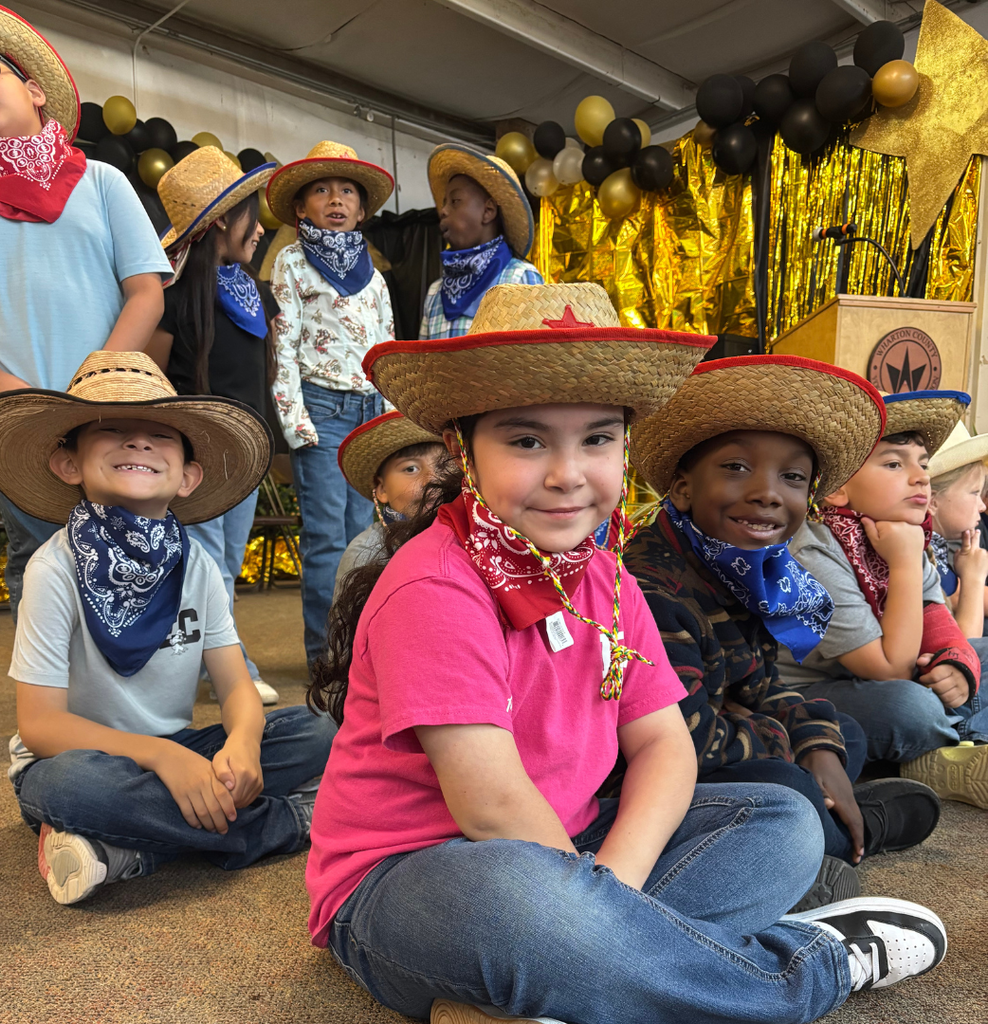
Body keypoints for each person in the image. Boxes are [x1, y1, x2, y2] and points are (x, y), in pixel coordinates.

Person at [303, 282, 947, 1024]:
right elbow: (488, 807)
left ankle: (562, 985)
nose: (568, 473)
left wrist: (603, 896)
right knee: (526, 903)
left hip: (574, 849)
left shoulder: (608, 575)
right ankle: (805, 969)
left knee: (782, 820)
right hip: (413, 878)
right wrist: (577, 910)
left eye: (598, 439)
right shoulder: (435, 583)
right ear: (462, 448)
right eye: (526, 440)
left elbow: (666, 749)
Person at [0, 351, 337, 905]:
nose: (138, 442)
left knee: (320, 730)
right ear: (67, 464)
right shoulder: (54, 567)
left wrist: (242, 741)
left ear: (188, 476)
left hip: (180, 748)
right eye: (111, 429)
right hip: (78, 760)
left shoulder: (199, 565)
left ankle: (129, 851)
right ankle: (287, 823)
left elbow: (235, 685)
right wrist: (165, 759)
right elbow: (40, 726)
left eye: (161, 434)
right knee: (72, 790)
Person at [621, 355, 941, 910]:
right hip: (656, 774)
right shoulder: (653, 590)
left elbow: (765, 684)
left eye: (792, 477)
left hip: (726, 731)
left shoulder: (753, 569)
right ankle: (842, 834)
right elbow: (687, 744)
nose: (769, 493)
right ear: (680, 489)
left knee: (842, 734)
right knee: (783, 782)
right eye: (737, 468)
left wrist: (813, 744)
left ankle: (818, 834)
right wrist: (786, 742)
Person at [0, 1, 172, 613]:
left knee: (126, 545)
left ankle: (128, 698)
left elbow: (146, 292)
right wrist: (5, 391)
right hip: (5, 413)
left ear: (34, 91)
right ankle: (49, 705)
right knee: (42, 553)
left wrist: (99, 382)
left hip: (110, 406)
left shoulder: (102, 180)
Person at [778, 389, 988, 809]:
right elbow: (890, 668)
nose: (920, 478)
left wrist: (956, 665)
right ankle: (950, 746)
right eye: (894, 464)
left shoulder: (907, 532)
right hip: (817, 690)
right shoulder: (813, 550)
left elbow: (935, 621)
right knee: (909, 707)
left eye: (923, 465)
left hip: (896, 668)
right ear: (837, 489)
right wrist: (906, 562)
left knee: (977, 658)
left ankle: (953, 745)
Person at [146, 146, 281, 704]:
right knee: (206, 562)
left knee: (226, 561)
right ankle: (232, 671)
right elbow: (151, 377)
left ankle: (206, 659)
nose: (261, 229)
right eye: (253, 213)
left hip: (245, 453)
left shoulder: (259, 295)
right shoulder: (174, 298)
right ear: (224, 218)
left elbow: (262, 376)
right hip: (196, 454)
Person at [265, 140, 395, 665]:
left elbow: (385, 346)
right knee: (324, 537)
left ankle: (359, 650)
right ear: (301, 207)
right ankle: (325, 658)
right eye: (321, 190)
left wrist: (389, 418)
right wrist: (296, 420)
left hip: (368, 409)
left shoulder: (374, 275)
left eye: (346, 191)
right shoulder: (292, 264)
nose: (335, 199)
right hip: (321, 408)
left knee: (364, 537)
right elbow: (284, 346)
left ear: (362, 210)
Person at [419, 143, 542, 341]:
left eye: (455, 201)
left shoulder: (520, 279)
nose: (443, 211)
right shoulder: (435, 293)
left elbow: (537, 359)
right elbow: (422, 366)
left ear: (488, 211)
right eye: (444, 203)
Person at [334, 410, 447, 587]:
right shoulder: (366, 554)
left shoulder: (475, 537)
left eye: (444, 466)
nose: (432, 480)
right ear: (382, 490)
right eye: (410, 469)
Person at [927, 420, 988, 638]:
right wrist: (974, 577)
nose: (982, 506)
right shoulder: (921, 554)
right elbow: (965, 647)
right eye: (974, 493)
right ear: (932, 501)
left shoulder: (935, 549)